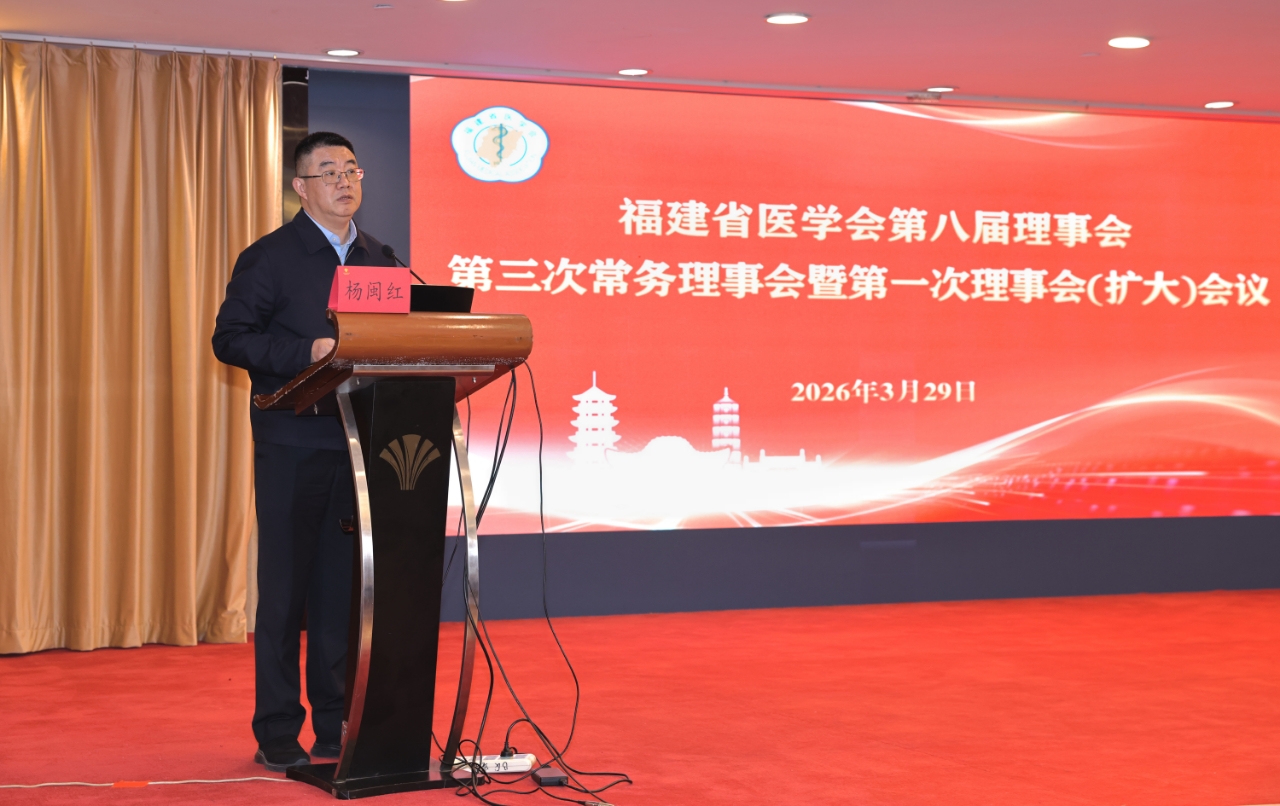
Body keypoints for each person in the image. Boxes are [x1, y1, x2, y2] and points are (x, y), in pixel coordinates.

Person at [211, 132, 395, 772]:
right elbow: (230, 339)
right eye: (329, 171)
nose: (345, 181)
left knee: (341, 592)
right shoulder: (271, 257)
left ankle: (336, 722)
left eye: (352, 169)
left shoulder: (381, 259)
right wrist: (306, 352)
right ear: (301, 187)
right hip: (292, 440)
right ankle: (277, 729)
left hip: (357, 442)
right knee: (287, 592)